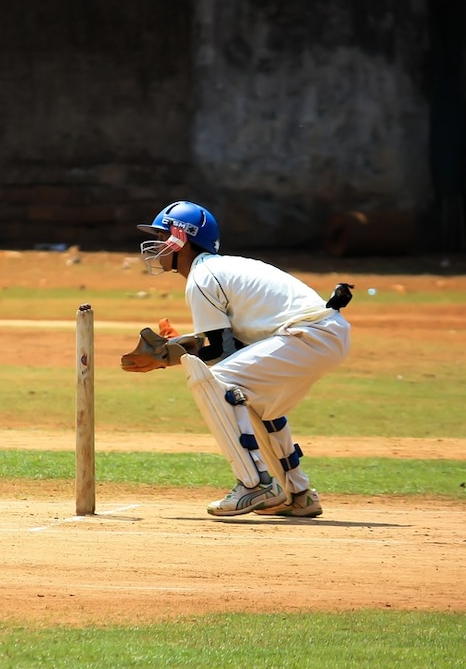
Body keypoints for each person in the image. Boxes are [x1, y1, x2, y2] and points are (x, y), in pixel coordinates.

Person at [123, 200, 352, 518]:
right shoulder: (218, 270)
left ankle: (254, 484)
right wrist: (175, 348)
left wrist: (165, 355)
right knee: (257, 401)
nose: (158, 244)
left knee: (218, 382)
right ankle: (298, 494)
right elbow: (233, 346)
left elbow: (219, 353)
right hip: (323, 334)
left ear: (181, 238)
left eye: (163, 236)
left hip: (309, 335)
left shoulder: (203, 277)